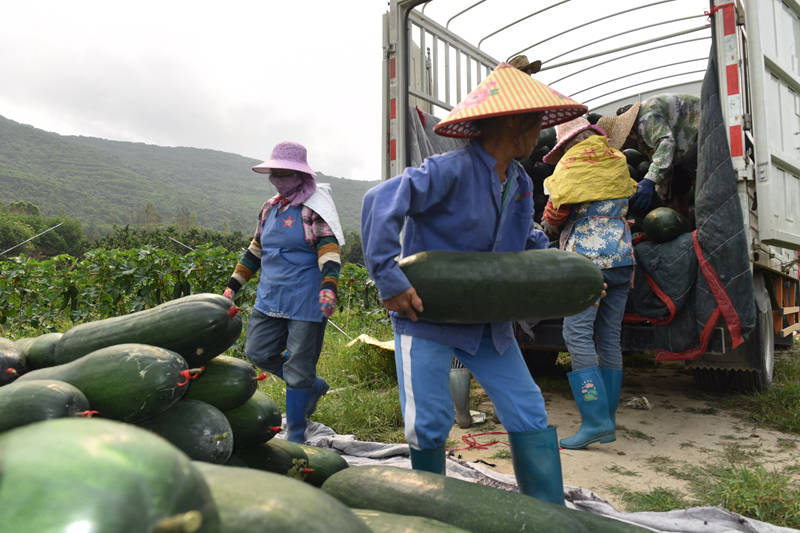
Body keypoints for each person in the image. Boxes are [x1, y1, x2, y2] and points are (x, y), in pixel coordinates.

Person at [361, 63, 588, 505]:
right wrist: (388, 279)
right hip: (426, 315)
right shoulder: (449, 170)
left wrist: (571, 279)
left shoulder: (520, 183)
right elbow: (379, 200)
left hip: (489, 324)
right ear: (512, 123)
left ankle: (548, 512)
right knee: (427, 422)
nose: (538, 137)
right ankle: (432, 511)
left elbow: (527, 242)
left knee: (528, 410)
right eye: (534, 125)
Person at [222, 141, 345, 444]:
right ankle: (311, 387)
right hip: (271, 295)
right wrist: (232, 285)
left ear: (299, 175)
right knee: (257, 351)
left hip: (305, 297)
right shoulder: (270, 207)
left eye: (281, 174)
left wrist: (329, 287)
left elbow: (329, 251)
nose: (275, 179)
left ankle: (297, 437)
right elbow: (256, 250)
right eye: (273, 174)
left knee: (298, 366)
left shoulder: (313, 209)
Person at [540, 116, 637, 450]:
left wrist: (546, 226)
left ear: (567, 144)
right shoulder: (617, 160)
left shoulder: (571, 167)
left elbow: (554, 215)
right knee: (608, 337)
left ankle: (594, 422)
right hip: (623, 258)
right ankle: (606, 420)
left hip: (588, 263)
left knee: (577, 334)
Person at [597, 94, 700, 219]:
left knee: (693, 164)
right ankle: (684, 224)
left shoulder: (645, 119)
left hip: (704, 126)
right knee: (675, 179)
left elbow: (666, 143)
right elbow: (662, 162)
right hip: (686, 143)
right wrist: (662, 196)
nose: (624, 148)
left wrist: (649, 181)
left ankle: (706, 214)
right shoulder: (640, 136)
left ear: (626, 135)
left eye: (622, 144)